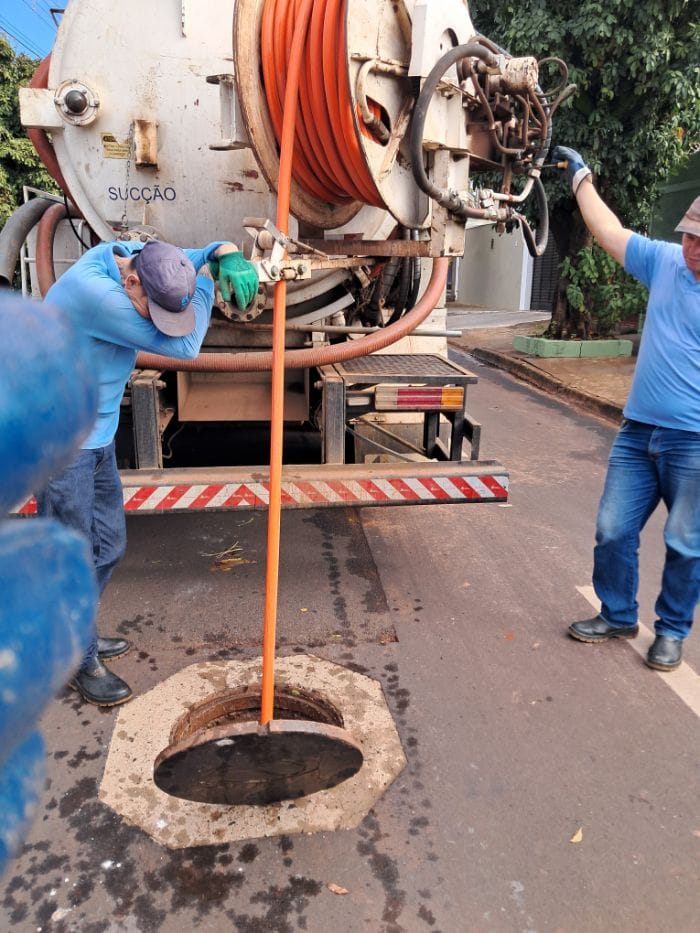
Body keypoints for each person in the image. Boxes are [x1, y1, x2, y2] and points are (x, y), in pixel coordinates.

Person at [37, 237, 259, 705]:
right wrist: (207, 282)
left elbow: (194, 256)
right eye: (151, 310)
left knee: (109, 546)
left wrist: (225, 253)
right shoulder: (97, 294)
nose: (153, 320)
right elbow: (186, 347)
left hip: (96, 437)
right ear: (132, 281)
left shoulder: (141, 256)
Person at [554, 146, 700, 672]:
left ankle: (672, 631)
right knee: (613, 528)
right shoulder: (665, 262)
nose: (693, 248)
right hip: (638, 433)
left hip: (693, 442)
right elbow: (608, 231)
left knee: (685, 543)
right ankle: (617, 614)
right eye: (690, 236)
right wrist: (581, 180)